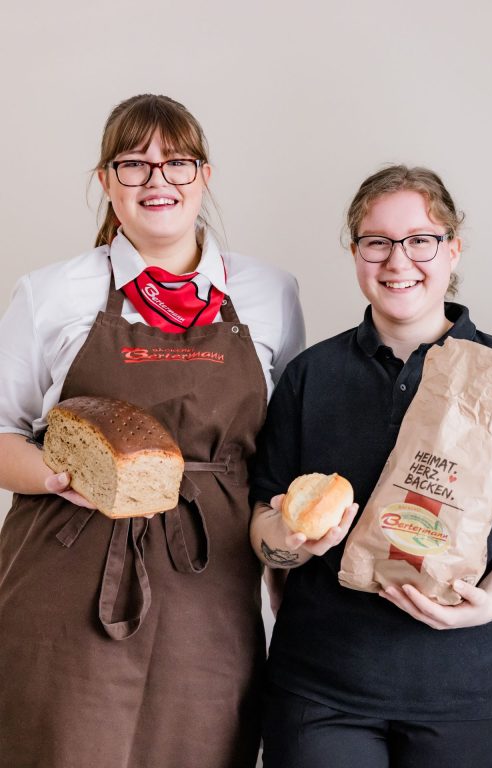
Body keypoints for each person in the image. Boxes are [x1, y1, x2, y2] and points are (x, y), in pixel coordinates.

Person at [0, 94, 305, 767]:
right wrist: (61, 476)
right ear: (106, 181)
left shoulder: (268, 293)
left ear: (206, 176)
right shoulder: (52, 292)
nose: (157, 181)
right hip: (66, 571)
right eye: (134, 165)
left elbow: (280, 453)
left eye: (177, 163)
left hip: (212, 578)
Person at [249, 165, 492, 768]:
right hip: (323, 689)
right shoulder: (311, 377)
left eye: (420, 240)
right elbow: (264, 519)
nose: (398, 260)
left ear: (453, 248)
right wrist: (290, 542)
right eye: (376, 241)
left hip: (475, 691)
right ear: (355, 253)